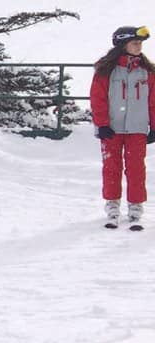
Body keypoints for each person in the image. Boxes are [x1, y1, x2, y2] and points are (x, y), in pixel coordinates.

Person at [91, 26, 154, 230]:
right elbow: (98, 98)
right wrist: (102, 124)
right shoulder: (105, 70)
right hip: (112, 129)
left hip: (136, 128)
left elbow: (153, 101)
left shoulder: (148, 71)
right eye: (135, 42)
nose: (139, 46)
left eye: (140, 43)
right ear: (122, 45)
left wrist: (154, 126)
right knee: (112, 168)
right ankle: (112, 208)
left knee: (136, 169)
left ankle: (135, 210)